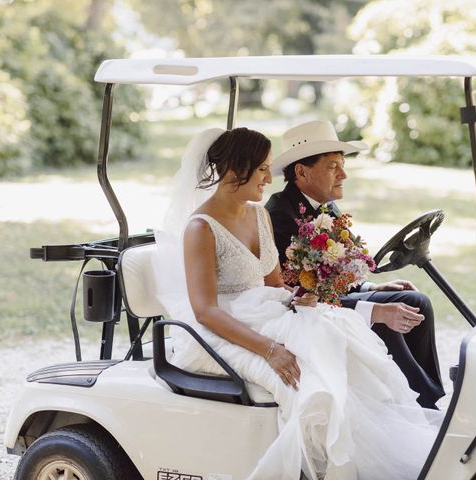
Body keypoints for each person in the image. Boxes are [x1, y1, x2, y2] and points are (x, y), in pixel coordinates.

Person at [153, 127, 441, 480]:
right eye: (261, 170)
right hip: (223, 325)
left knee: (341, 339)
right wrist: (270, 350)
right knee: (308, 379)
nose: (267, 179)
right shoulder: (201, 227)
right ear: (233, 170)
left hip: (265, 308)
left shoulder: (258, 214)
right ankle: (326, 468)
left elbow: (275, 283)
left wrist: (305, 299)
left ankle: (381, 453)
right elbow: (205, 311)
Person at [265, 120, 445, 409]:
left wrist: (373, 285)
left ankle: (433, 396)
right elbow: (300, 294)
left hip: (329, 299)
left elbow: (336, 273)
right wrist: (374, 308)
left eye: (342, 165)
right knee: (386, 319)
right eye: (332, 166)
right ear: (301, 171)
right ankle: (426, 404)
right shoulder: (280, 214)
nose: (343, 175)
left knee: (415, 302)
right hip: (304, 310)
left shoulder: (325, 206)